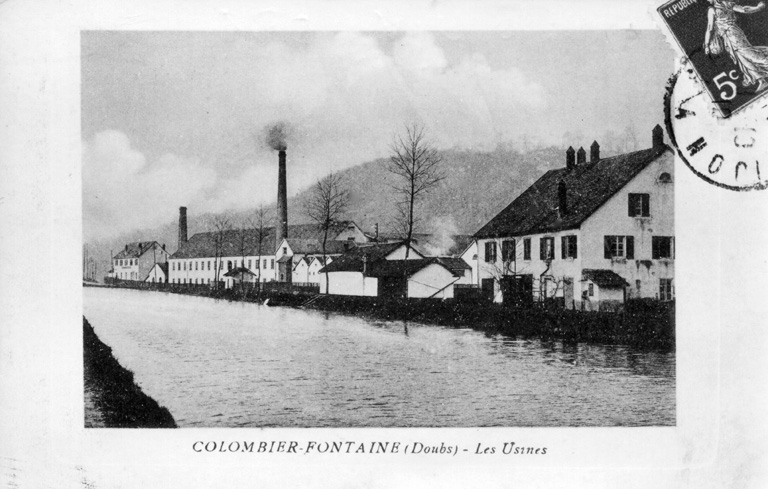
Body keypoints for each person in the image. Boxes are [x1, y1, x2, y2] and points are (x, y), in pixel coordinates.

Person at [704, 0, 768, 92]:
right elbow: (744, 9)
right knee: (741, 58)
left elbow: (709, 28)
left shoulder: (713, 9)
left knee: (749, 54)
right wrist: (758, 8)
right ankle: (761, 80)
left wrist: (706, 45)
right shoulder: (727, 4)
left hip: (732, 35)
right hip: (731, 36)